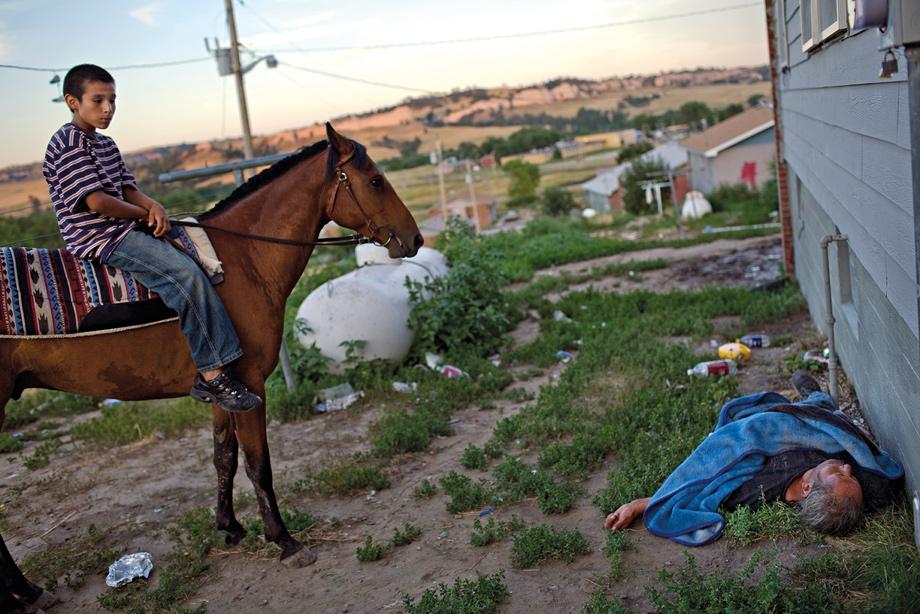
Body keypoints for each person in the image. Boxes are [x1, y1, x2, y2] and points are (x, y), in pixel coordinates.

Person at [42, 64, 260, 413]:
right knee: (184, 274)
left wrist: (153, 205)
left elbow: (128, 189)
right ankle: (214, 374)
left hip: (123, 227)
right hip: (100, 237)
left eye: (112, 100)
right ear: (72, 101)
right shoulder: (67, 143)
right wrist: (145, 215)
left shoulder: (106, 144)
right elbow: (96, 201)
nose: (107, 108)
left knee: (203, 245)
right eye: (97, 100)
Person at [604, 371, 903, 544]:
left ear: (809, 488)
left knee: (809, 409)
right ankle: (814, 396)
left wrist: (638, 505)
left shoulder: (753, 491)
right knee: (824, 411)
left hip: (763, 427)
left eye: (839, 475)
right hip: (807, 421)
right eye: (847, 473)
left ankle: (814, 398)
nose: (848, 467)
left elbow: (704, 478)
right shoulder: (847, 483)